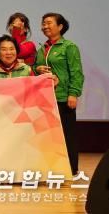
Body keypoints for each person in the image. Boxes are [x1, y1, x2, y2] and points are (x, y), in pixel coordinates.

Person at [34, 13, 84, 174]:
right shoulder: (42, 49)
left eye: (49, 23)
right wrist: (38, 68)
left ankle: (72, 170)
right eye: (43, 24)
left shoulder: (69, 47)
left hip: (63, 97)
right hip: (46, 99)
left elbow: (76, 72)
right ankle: (53, 168)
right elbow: (35, 68)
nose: (45, 26)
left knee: (67, 135)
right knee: (49, 136)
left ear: (60, 26)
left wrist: (73, 93)